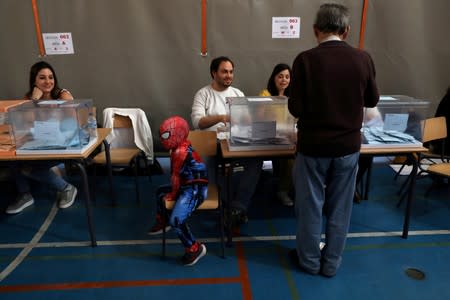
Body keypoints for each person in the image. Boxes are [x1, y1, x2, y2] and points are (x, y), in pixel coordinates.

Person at [288, 3, 379, 277]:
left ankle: (309, 261)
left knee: (310, 206)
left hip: (313, 147)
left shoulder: (304, 60)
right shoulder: (363, 59)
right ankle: (331, 264)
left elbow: (295, 108)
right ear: (347, 30)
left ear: (315, 30)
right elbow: (372, 100)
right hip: (348, 147)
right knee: (341, 208)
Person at [191, 56, 263, 225]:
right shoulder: (203, 94)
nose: (228, 75)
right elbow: (198, 123)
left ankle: (238, 206)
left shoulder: (238, 94)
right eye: (224, 71)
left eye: (231, 72)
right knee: (211, 162)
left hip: (235, 142)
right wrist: (221, 117)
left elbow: (246, 122)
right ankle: (223, 204)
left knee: (255, 159)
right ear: (213, 73)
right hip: (210, 144)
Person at [6, 61, 78, 214]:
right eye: (42, 78)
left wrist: (38, 105)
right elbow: (27, 123)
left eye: (51, 77)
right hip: (38, 142)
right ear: (34, 81)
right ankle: (24, 195)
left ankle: (66, 188)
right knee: (13, 159)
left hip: (62, 143)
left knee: (28, 168)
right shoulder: (30, 97)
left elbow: (71, 124)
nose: (48, 82)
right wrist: (34, 101)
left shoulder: (62, 95)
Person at [148, 116, 208, 266]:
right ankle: (163, 221)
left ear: (178, 134)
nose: (163, 139)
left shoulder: (180, 152)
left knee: (176, 220)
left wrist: (173, 195)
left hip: (195, 189)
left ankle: (194, 248)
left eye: (166, 135)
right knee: (160, 192)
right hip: (187, 185)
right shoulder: (178, 148)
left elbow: (175, 178)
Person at [259, 63, 295, 206]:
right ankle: (282, 190)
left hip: (288, 137)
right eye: (280, 76)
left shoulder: (293, 96)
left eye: (287, 77)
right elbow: (260, 117)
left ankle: (289, 188)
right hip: (269, 136)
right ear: (274, 78)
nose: (284, 80)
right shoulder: (265, 94)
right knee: (288, 159)